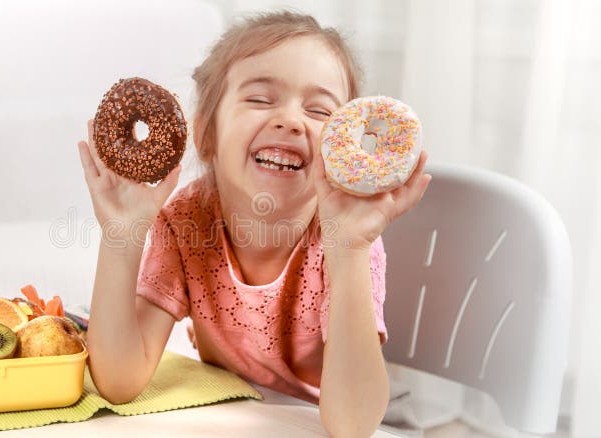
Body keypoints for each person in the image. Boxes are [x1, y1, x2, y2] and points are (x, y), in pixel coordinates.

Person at [77, 11, 431, 437]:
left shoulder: (343, 240)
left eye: (319, 110)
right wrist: (122, 235)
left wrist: (349, 252)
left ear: (345, 148)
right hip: (237, 417)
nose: (291, 120)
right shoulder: (187, 220)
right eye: (260, 99)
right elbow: (118, 381)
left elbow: (353, 426)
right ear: (207, 133)